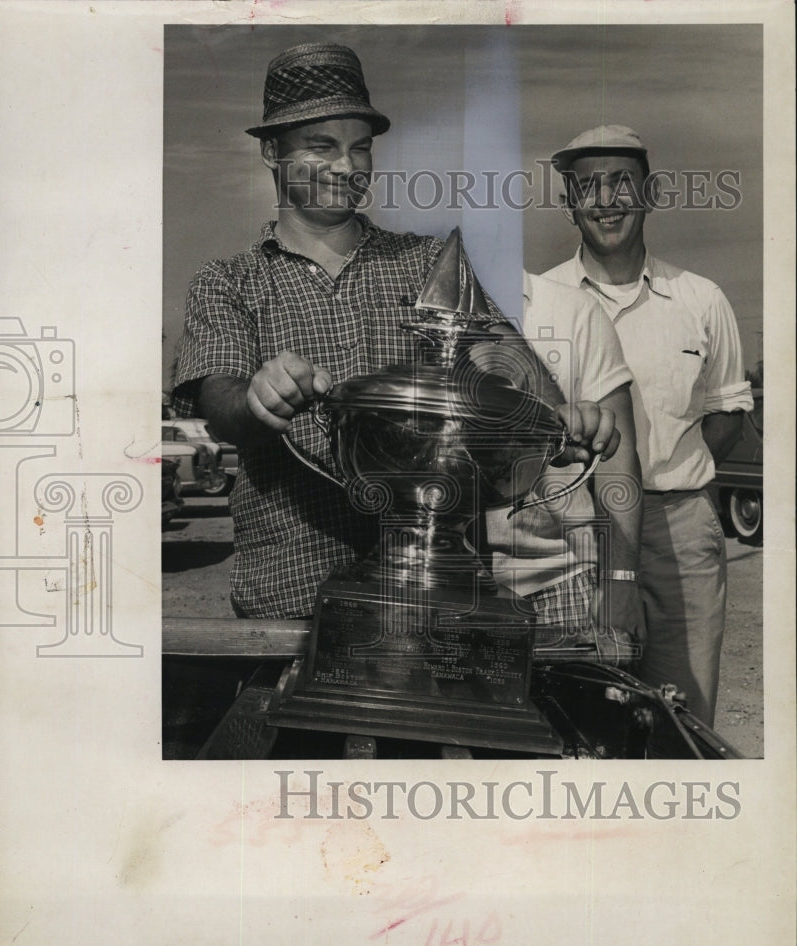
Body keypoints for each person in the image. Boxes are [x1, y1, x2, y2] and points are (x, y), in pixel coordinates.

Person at [171, 43, 623, 622]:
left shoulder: (427, 261)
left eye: (360, 148)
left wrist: (565, 418)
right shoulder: (229, 281)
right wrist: (257, 399)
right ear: (271, 151)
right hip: (289, 594)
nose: (347, 167)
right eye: (321, 146)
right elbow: (220, 404)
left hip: (436, 594)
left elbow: (509, 363)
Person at [543, 124, 753, 724]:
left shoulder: (701, 298)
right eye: (588, 187)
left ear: (651, 192)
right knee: (575, 712)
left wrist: (669, 473)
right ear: (568, 204)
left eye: (621, 183)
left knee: (679, 718)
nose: (605, 201)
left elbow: (728, 413)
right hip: (569, 529)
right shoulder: (541, 302)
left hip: (678, 530)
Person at [485, 272, 644, 653]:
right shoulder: (403, 304)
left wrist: (620, 579)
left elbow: (616, 453)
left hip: (561, 582)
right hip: (445, 583)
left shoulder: (574, 308)